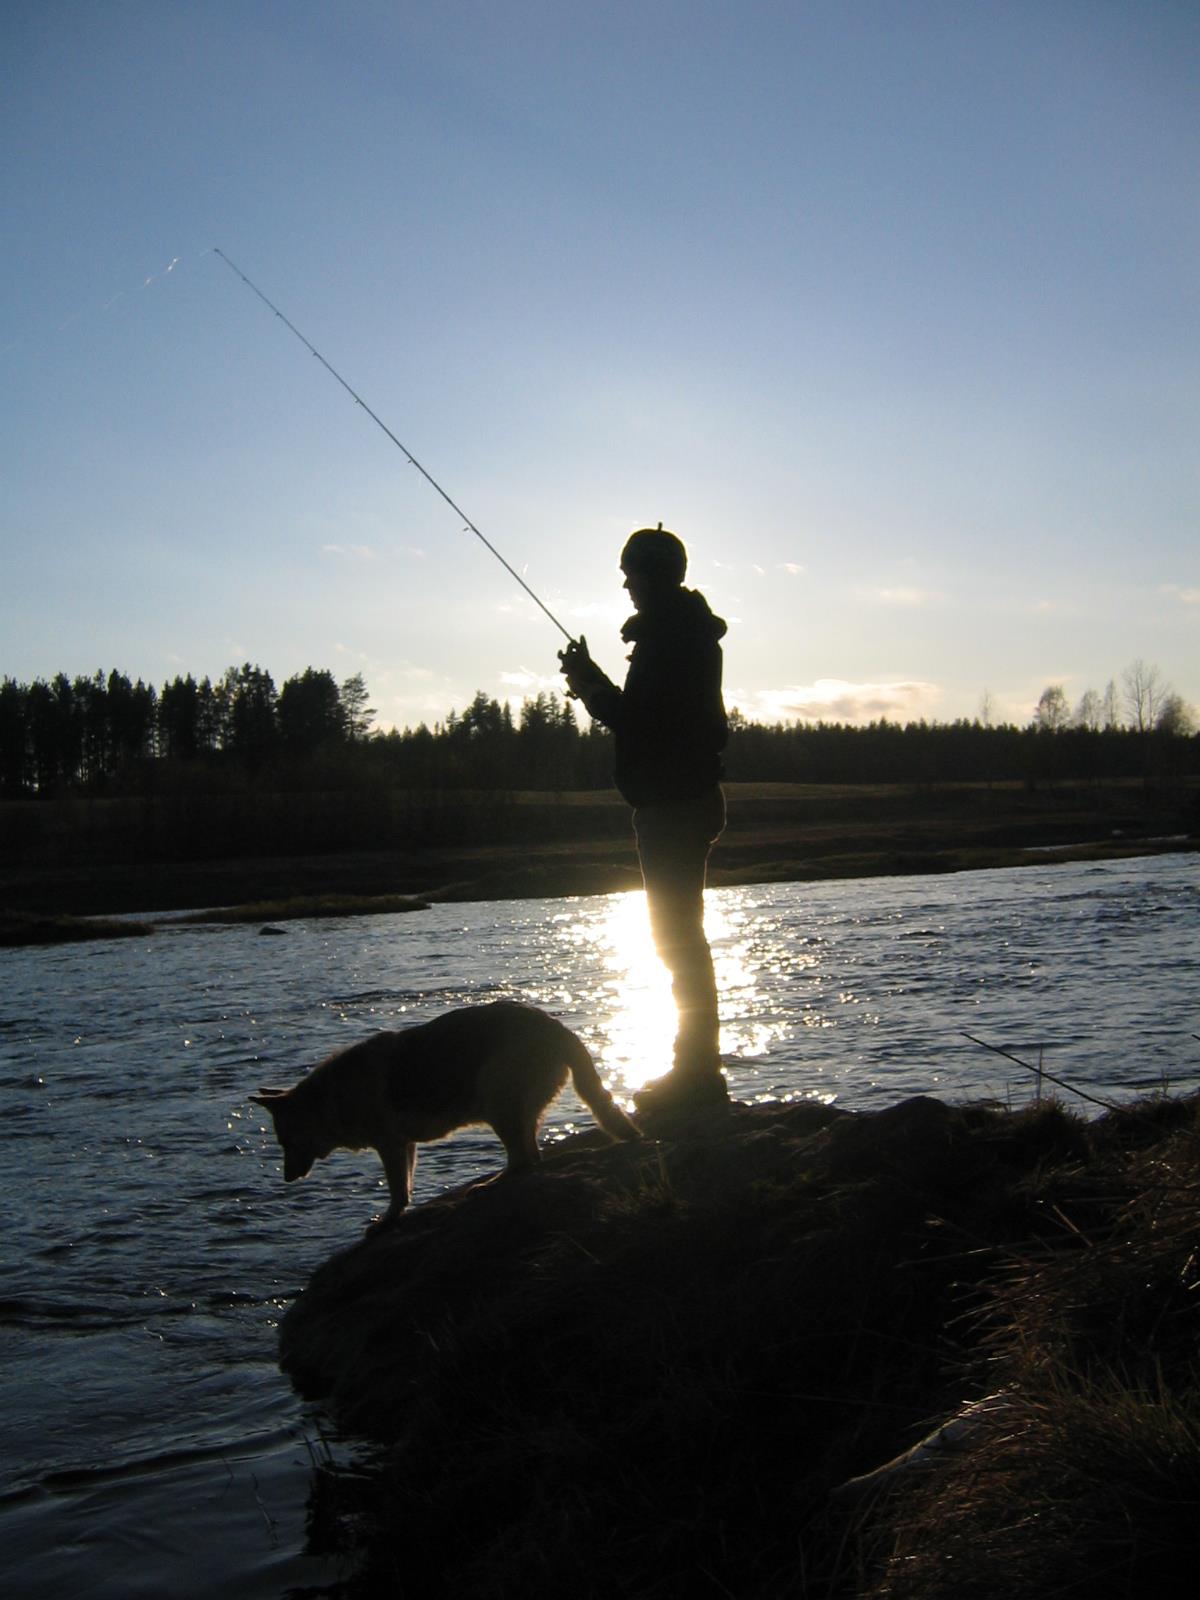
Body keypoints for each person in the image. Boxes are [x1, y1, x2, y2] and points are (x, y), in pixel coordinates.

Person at [558, 524, 730, 1111]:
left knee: (678, 939)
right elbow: (648, 718)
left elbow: (640, 722)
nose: (627, 585)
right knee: (680, 937)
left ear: (657, 576)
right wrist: (594, 683)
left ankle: (696, 1077)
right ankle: (696, 1070)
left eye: (633, 574)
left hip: (674, 807)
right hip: (680, 802)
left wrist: (587, 684)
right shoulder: (680, 634)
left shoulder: (672, 640)